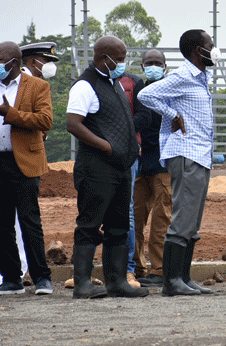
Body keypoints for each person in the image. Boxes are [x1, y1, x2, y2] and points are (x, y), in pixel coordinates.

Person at [138, 29, 218, 297]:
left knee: (192, 219)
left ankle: (184, 277)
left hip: (200, 154)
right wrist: (173, 113)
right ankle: (171, 282)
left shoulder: (201, 77)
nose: (214, 49)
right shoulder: (182, 76)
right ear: (198, 50)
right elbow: (145, 96)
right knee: (183, 217)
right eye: (211, 45)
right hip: (185, 153)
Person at [66, 36, 147, 299]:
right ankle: (82, 284)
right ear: (104, 58)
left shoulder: (113, 84)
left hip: (121, 168)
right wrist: (106, 146)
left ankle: (117, 281)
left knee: (119, 226)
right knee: (89, 224)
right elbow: (74, 124)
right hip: (96, 167)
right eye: (120, 59)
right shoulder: (84, 86)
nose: (123, 63)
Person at [0, 41, 59, 292]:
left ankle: (42, 278)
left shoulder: (37, 87)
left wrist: (10, 113)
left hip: (24, 162)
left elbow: (46, 120)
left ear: (14, 62)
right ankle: (11, 279)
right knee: (1, 224)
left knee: (30, 222)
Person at [132, 49, 172, 287]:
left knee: (161, 219)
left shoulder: (170, 91)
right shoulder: (137, 91)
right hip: (138, 164)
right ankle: (137, 268)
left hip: (164, 164)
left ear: (165, 66)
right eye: (149, 63)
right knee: (135, 220)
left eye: (158, 63)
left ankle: (159, 269)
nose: (153, 66)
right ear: (142, 66)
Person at [119, 69, 147, 288]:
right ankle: (87, 270)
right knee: (94, 212)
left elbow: (143, 115)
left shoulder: (134, 82)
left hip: (129, 152)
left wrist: (118, 130)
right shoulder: (89, 82)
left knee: (127, 210)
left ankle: (128, 270)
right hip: (99, 153)